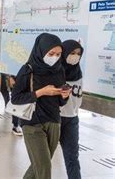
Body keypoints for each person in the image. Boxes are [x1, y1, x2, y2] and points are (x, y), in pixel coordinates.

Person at [11, 33, 70, 179]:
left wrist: (64, 96)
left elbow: (61, 101)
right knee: (44, 169)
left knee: (39, 166)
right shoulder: (27, 70)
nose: (55, 57)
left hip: (54, 122)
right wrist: (40, 92)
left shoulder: (59, 70)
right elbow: (16, 98)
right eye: (51, 53)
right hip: (32, 123)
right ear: (41, 50)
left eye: (58, 54)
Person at [0, 31, 22, 135]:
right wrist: (1, 64)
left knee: (8, 96)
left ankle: (16, 124)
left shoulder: (8, 45)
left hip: (6, 72)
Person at [59, 40, 84, 179]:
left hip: (72, 119)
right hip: (54, 118)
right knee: (44, 159)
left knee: (72, 157)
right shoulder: (55, 71)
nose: (75, 56)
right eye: (72, 53)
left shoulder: (78, 72)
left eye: (78, 54)